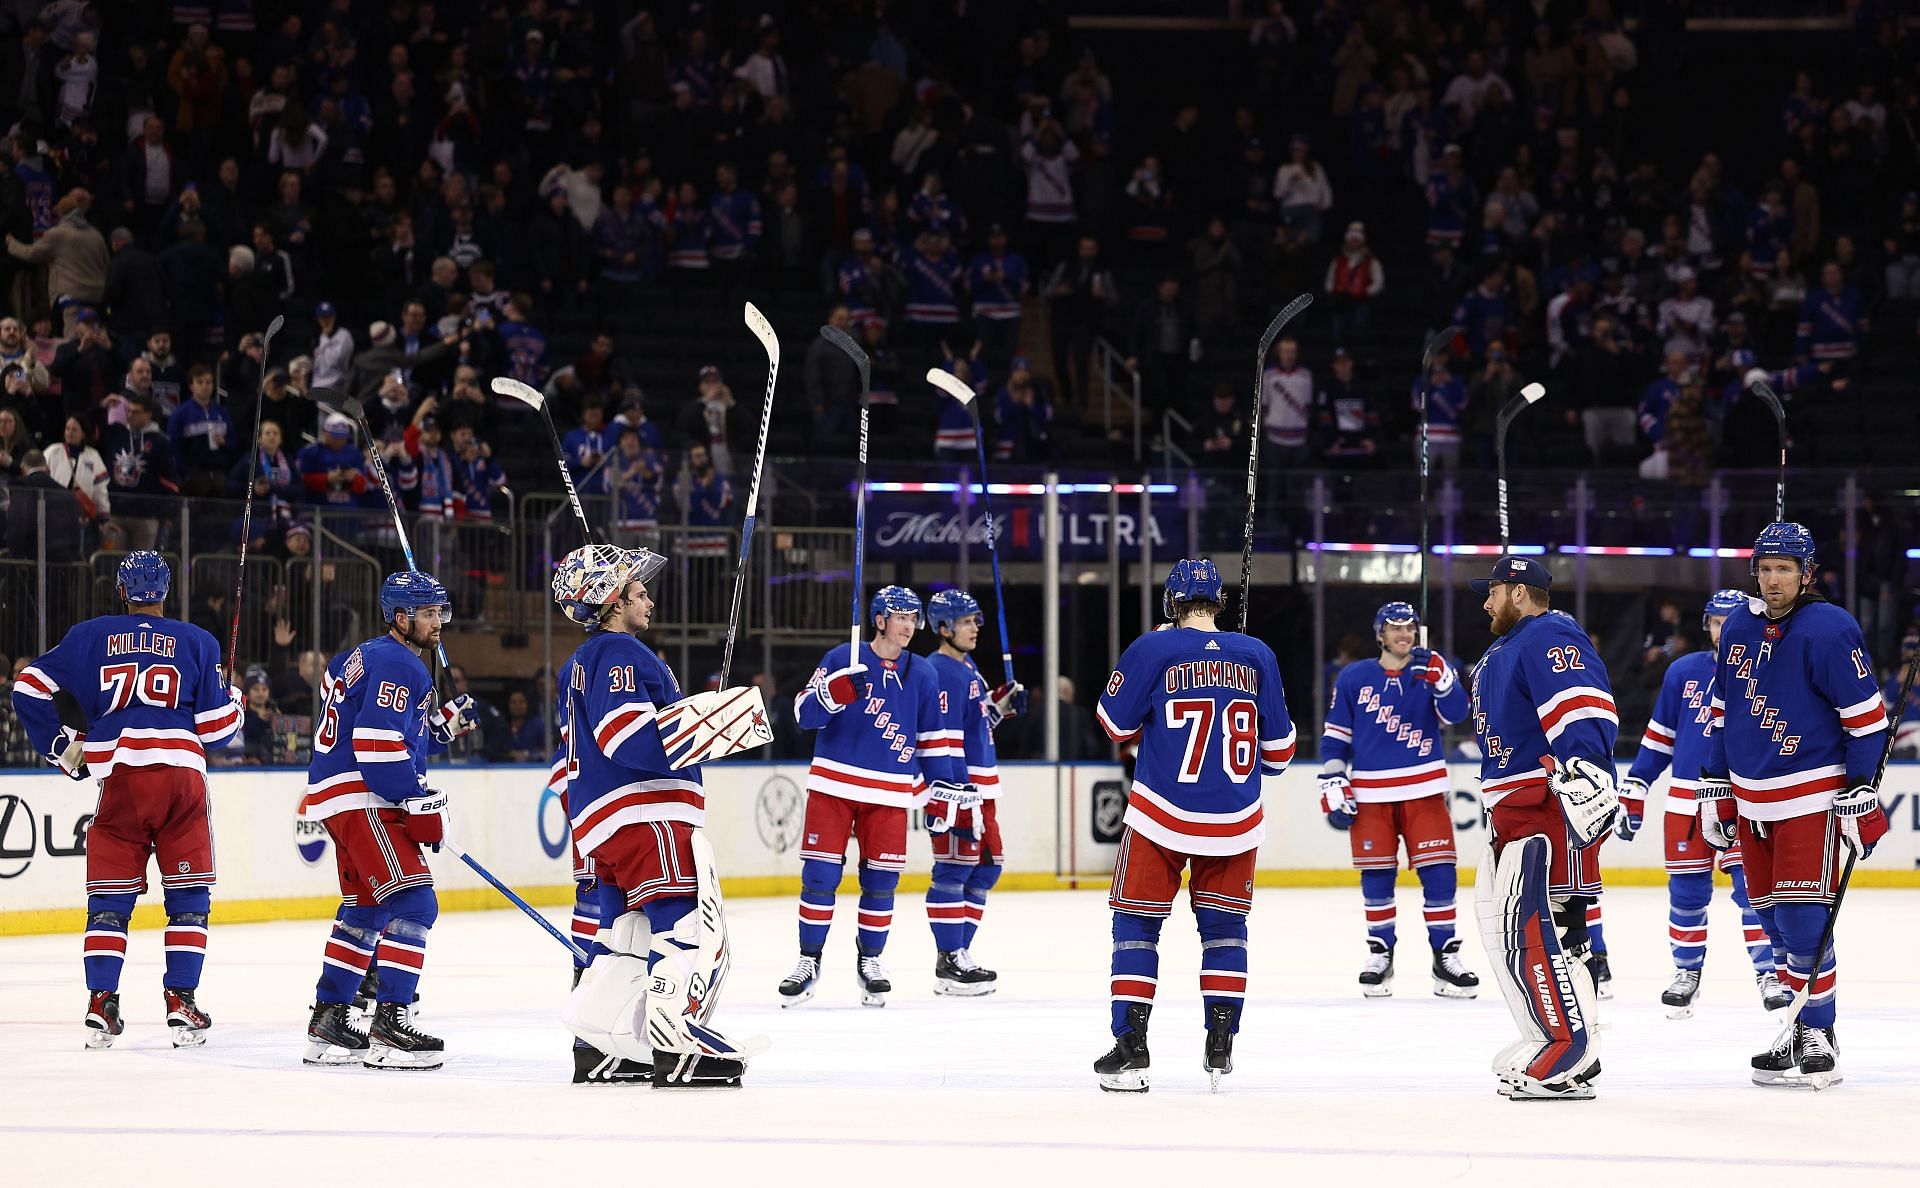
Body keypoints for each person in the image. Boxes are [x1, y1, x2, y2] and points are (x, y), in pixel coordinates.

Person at [10, 553, 242, 1049]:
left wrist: (62, 745)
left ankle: (102, 1004)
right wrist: (236, 702)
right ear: (165, 591)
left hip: (117, 775)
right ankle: (180, 1001)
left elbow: (28, 685)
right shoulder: (198, 640)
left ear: (121, 590)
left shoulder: (90, 635)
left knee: (109, 905)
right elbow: (218, 732)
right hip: (180, 777)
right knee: (189, 900)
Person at [550, 543, 757, 1087]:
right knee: (681, 918)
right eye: (637, 591)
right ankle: (675, 1037)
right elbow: (626, 736)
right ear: (612, 602)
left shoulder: (578, 663)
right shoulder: (623, 655)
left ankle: (603, 1043)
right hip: (646, 813)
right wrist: (705, 725)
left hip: (604, 823)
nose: (648, 599)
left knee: (624, 933)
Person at [1697, 524, 1891, 1089]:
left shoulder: (1831, 629)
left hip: (1811, 796)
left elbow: (1867, 721)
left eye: (1784, 568)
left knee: (1805, 921)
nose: (1773, 578)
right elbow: (1721, 711)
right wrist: (1715, 788)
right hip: (1750, 799)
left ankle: (1819, 1031)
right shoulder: (1738, 625)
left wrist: (1859, 792)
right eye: (1765, 568)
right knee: (1771, 923)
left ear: (1807, 573)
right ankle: (1794, 1020)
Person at [1092, 559, 1295, 1092]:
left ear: (1172, 602)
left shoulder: (1152, 648)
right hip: (1236, 822)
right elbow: (1279, 754)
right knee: (1225, 931)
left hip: (1159, 815)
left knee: (1135, 930)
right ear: (1218, 604)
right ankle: (1220, 1042)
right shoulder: (1257, 654)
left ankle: (1131, 1047)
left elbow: (1113, 724)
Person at [298, 571, 476, 1070]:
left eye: (440, 612)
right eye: (427, 614)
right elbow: (376, 748)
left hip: (336, 795)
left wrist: (443, 725)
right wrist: (416, 797)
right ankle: (391, 1024)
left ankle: (330, 1020)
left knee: (366, 910)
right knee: (415, 901)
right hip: (366, 796)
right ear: (401, 617)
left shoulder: (365, 657)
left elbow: (389, 732)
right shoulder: (402, 664)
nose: (437, 622)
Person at [1467, 554, 1620, 1100]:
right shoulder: (1503, 650)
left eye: (1493, 591)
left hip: (1548, 808)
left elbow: (1582, 707)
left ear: (1519, 591)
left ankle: (1572, 1048)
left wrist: (1587, 774)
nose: (1485, 602)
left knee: (1547, 928)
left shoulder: (1549, 634)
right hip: (1516, 810)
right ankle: (1553, 1038)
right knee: (1517, 930)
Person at [780, 586, 971, 1007]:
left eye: (913, 617)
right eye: (900, 617)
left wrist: (943, 789)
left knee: (882, 882)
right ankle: (808, 960)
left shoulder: (923, 672)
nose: (909, 626)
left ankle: (871, 961)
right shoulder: (840, 659)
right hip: (834, 786)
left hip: (890, 792)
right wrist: (831, 695)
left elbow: (933, 740)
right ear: (880, 619)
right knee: (820, 878)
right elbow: (801, 714)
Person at [1617, 589, 1789, 1018]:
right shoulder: (1683, 673)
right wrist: (1637, 782)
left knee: (1754, 895)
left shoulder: (1769, 670)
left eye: (1731, 622)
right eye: (1716, 622)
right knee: (1687, 894)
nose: (1723, 630)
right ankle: (1686, 973)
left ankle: (1769, 973)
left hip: (1743, 803)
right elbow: (1660, 737)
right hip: (1686, 805)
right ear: (1707, 626)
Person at [1318, 601, 1478, 998]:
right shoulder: (1354, 676)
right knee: (1377, 875)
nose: (1403, 634)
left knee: (1440, 874)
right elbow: (1335, 735)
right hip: (1372, 792)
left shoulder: (1429, 672)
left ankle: (1445, 958)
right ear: (1379, 634)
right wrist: (1333, 774)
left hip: (1424, 788)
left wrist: (1445, 681)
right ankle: (1380, 954)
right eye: (1394, 628)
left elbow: (1459, 715)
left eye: (1409, 628)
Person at [923, 590, 1027, 994]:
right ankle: (949, 961)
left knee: (986, 868)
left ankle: (957, 955)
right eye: (966, 621)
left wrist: (998, 708)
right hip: (959, 788)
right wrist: (951, 786)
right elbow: (941, 736)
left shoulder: (966, 667)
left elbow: (974, 728)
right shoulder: (941, 671)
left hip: (981, 787)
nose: (975, 627)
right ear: (944, 627)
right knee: (953, 869)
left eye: (975, 620)